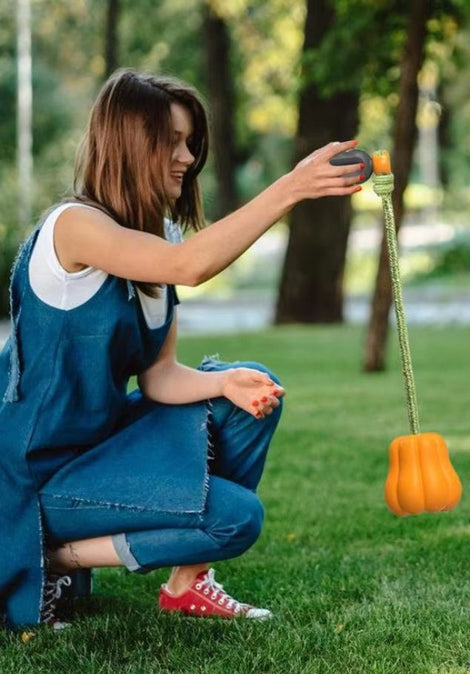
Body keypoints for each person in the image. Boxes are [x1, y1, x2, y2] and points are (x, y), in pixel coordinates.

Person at [0, 69, 362, 629]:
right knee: (236, 519)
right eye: (171, 141)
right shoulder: (73, 228)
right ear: (128, 143)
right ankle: (48, 555)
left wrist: (224, 383)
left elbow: (159, 377)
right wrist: (292, 186)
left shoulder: (157, 236)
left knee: (249, 388)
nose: (188, 156)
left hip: (99, 447)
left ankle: (187, 584)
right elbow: (189, 266)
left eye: (190, 142)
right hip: (30, 474)